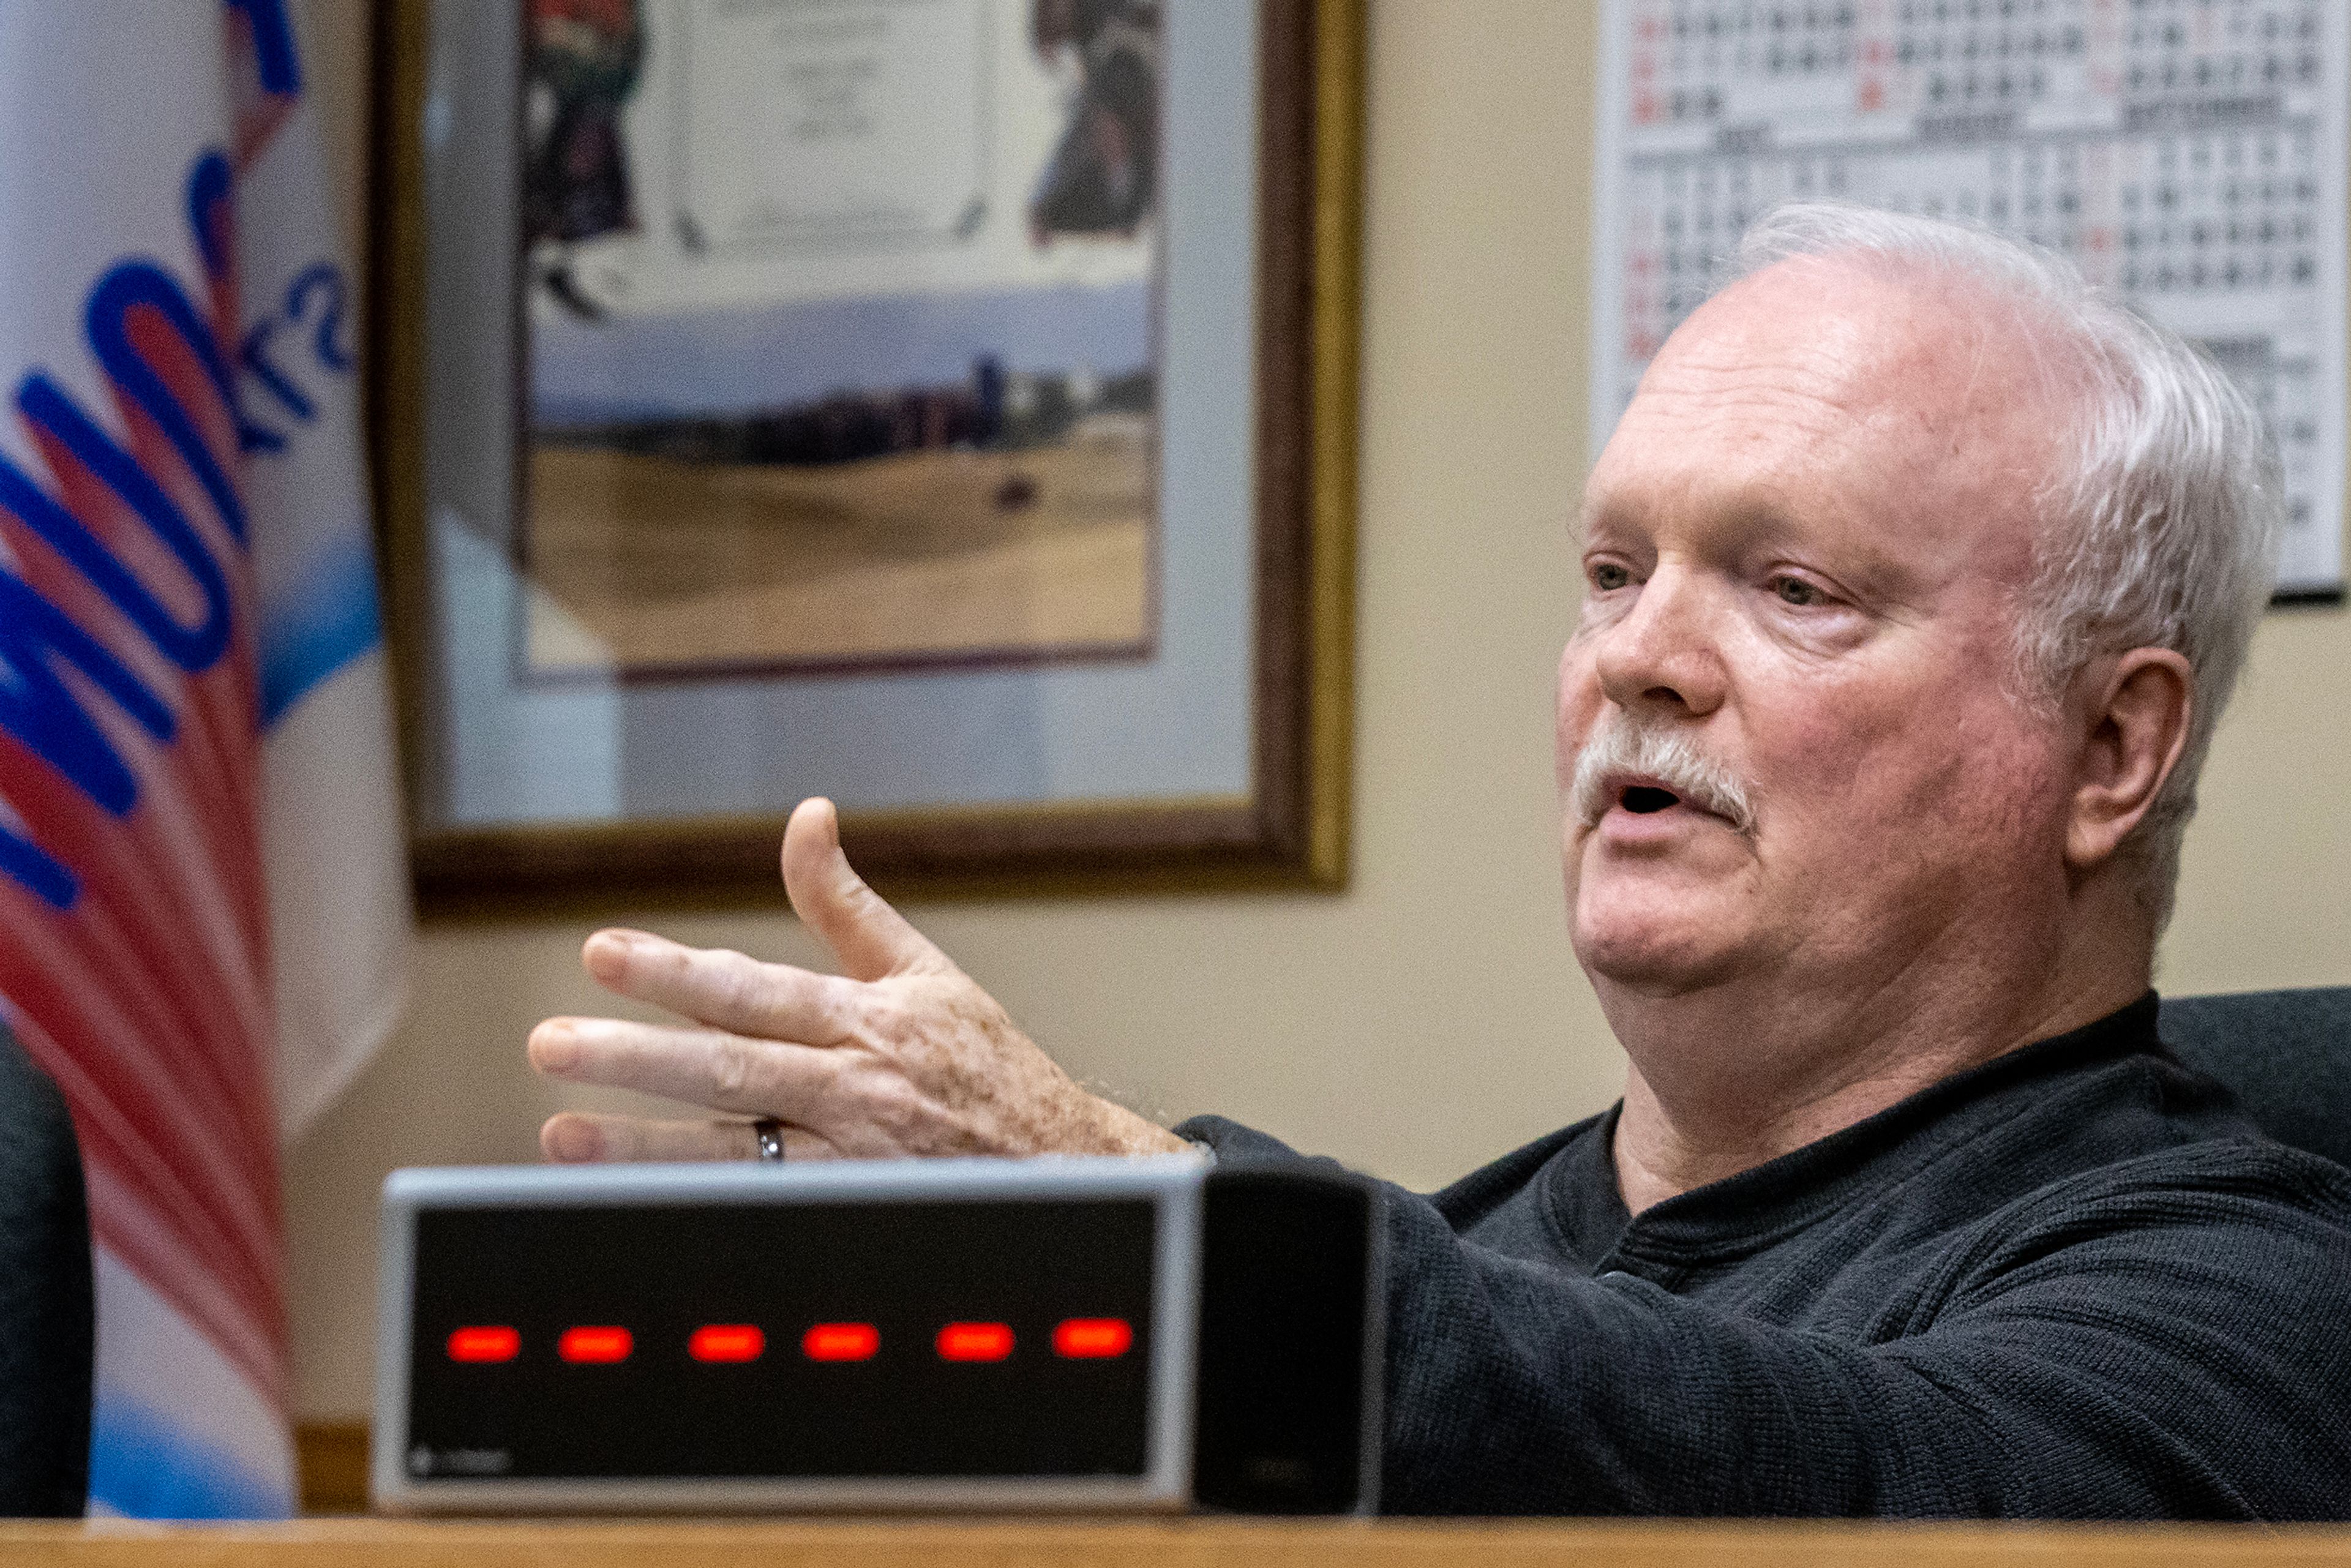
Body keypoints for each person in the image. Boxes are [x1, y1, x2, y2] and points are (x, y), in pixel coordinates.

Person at [523, 204, 2351, 1518]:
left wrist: (1128, 1209)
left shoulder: (2256, 1288)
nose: (1640, 657)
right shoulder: (1466, 1257)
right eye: (1616, 573)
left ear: (2111, 746)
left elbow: (1853, 1480)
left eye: (1795, 589)